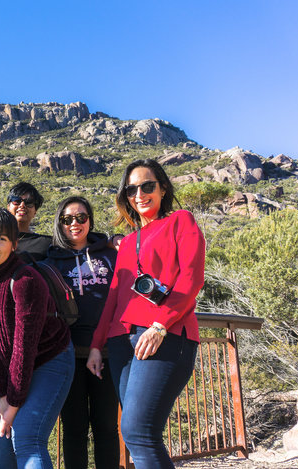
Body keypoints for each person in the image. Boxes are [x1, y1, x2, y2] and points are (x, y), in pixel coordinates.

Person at [86, 159, 206, 469]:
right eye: (131, 189)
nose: (139, 194)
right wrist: (98, 345)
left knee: (138, 431)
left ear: (163, 188)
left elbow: (191, 279)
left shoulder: (181, 221)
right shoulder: (127, 242)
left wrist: (160, 325)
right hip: (121, 341)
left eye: (147, 186)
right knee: (138, 434)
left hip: (163, 334)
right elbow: (114, 297)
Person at [0, 207, 74, 469]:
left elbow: (25, 345)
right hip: (6, 368)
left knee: (26, 437)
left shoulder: (26, 279)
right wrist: (3, 393)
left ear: (14, 245)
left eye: (2, 239)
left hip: (49, 359)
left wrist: (12, 402)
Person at [47, 196, 119, 469]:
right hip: (68, 355)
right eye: (67, 219)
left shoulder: (110, 253)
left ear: (90, 220)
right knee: (74, 429)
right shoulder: (52, 259)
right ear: (60, 223)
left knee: (106, 427)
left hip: (108, 352)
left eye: (81, 217)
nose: (74, 224)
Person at [6, 182, 51, 261]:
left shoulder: (47, 243)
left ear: (35, 212)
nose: (22, 205)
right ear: (8, 207)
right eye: (17, 201)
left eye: (29, 202)